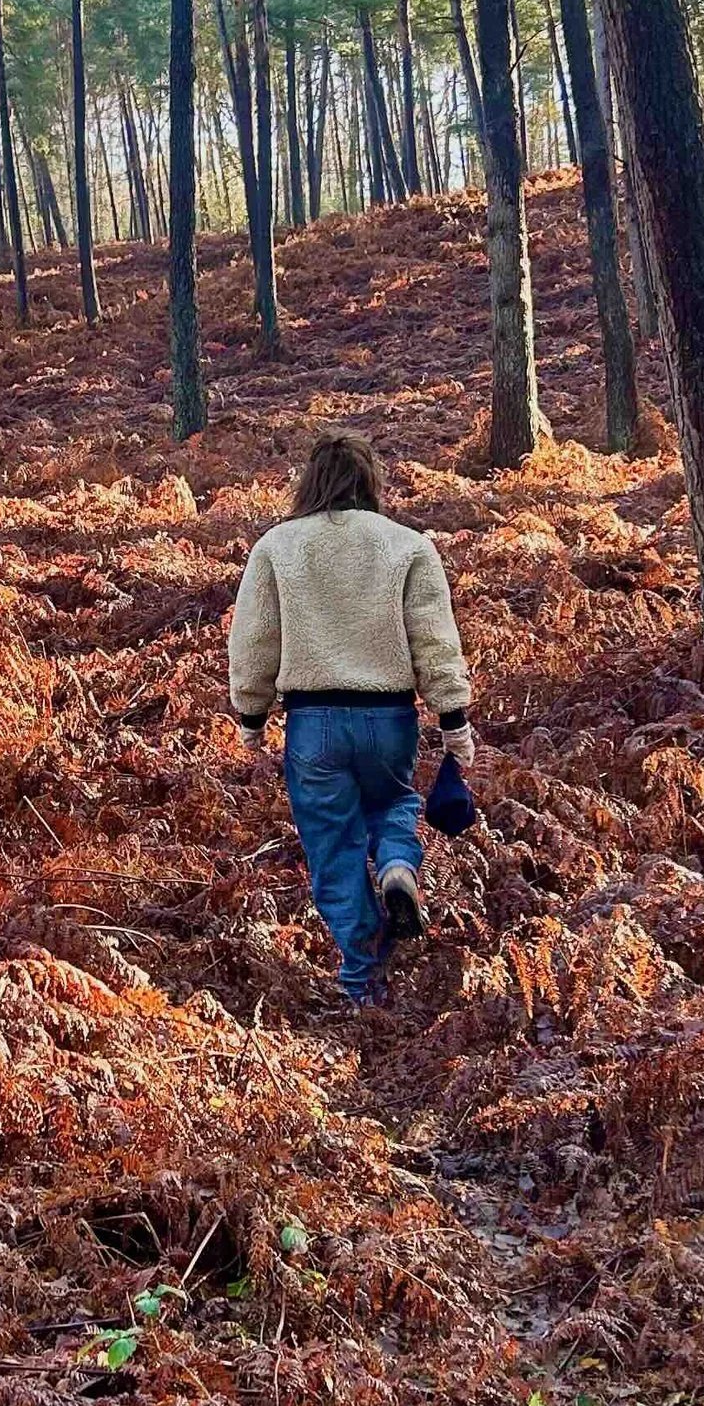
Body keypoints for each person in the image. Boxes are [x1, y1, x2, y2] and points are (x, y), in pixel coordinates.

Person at [225, 426, 476, 1007]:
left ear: (309, 483)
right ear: (372, 482)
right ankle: (395, 867)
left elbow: (255, 640)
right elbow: (435, 641)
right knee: (394, 805)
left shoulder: (277, 547)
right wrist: (453, 720)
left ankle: (362, 984)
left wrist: (251, 716)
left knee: (334, 848)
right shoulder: (407, 545)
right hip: (388, 718)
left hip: (312, 722)